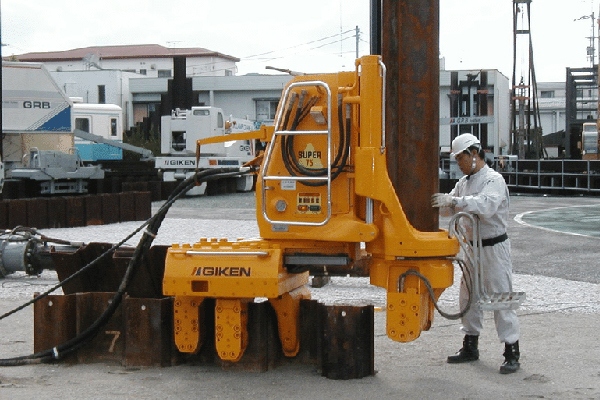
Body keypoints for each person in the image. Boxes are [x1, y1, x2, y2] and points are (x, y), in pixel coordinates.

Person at [431, 133, 521, 374]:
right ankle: (470, 345)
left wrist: (455, 201)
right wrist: (444, 203)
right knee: (468, 297)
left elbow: (486, 205)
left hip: (494, 247)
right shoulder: (464, 183)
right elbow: (452, 208)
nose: (458, 163)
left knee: (501, 297)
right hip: (473, 248)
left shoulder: (494, 180)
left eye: (460, 158)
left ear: (474, 154)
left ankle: (511, 350)